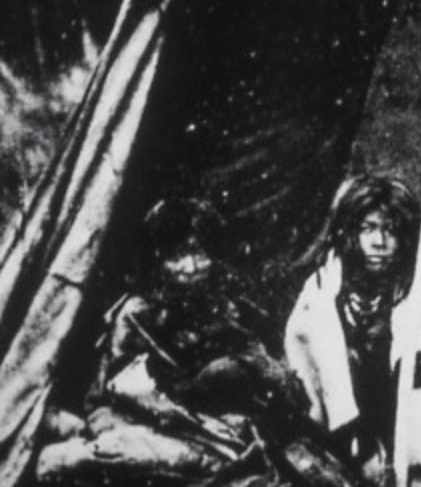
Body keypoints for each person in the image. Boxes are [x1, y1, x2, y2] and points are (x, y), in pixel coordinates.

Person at [36, 198, 333, 485]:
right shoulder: (137, 314)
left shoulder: (229, 307)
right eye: (177, 256)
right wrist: (199, 393)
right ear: (158, 261)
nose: (190, 267)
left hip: (234, 426)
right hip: (153, 425)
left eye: (199, 253)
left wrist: (258, 375)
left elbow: (269, 371)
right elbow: (119, 393)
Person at [285, 174, 421, 487]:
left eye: (390, 230)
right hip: (342, 426)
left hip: (406, 421)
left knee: (415, 364)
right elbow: (316, 370)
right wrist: (359, 443)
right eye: (369, 228)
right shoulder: (323, 291)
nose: (380, 242)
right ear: (351, 233)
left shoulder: (413, 291)